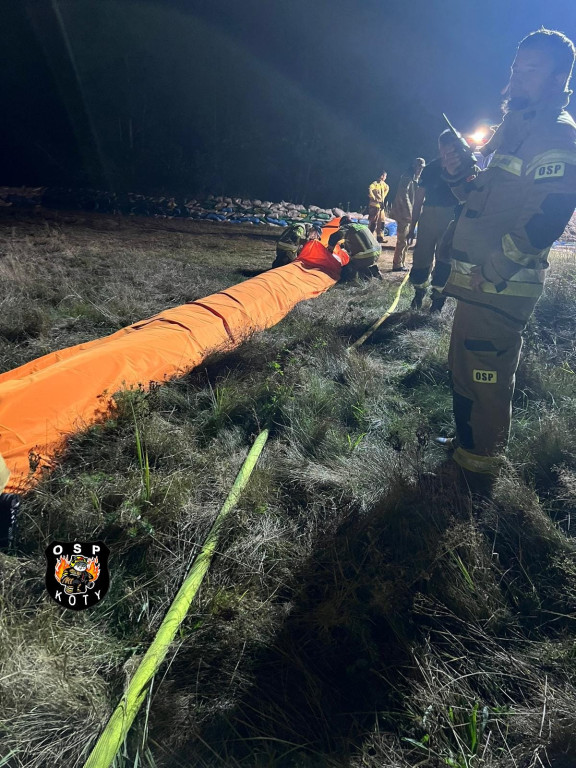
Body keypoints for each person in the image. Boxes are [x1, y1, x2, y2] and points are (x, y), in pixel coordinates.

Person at [435, 28, 576, 492]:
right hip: (478, 284)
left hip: (498, 285)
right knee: (465, 366)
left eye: (531, 69)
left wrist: (493, 271)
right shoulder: (514, 132)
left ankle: (479, 476)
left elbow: (549, 217)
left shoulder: (556, 132)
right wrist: (459, 176)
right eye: (517, 67)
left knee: (486, 374)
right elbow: (481, 200)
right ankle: (466, 445)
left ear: (559, 78)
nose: (518, 77)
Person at [408, 132, 460, 309]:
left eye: (449, 145)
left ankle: (437, 300)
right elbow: (419, 199)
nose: (446, 149)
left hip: (450, 217)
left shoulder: (462, 167)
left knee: (444, 259)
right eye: (444, 145)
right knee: (424, 257)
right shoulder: (431, 168)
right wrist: (412, 225)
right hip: (432, 216)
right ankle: (420, 293)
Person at [390, 157, 425, 271]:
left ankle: (401, 263)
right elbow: (403, 195)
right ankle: (397, 264)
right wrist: (410, 212)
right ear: (415, 166)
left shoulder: (414, 178)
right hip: (404, 214)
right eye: (419, 167)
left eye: (422, 168)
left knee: (406, 239)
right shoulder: (407, 177)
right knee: (402, 240)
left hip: (408, 215)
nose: (420, 170)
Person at [328, 216, 383, 281]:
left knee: (347, 270)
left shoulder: (347, 227)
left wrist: (329, 250)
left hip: (365, 256)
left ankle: (367, 275)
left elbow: (334, 236)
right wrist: (342, 245)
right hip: (377, 253)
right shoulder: (361, 226)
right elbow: (357, 241)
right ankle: (373, 269)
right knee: (359, 262)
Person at [368, 171, 389, 242]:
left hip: (381, 206)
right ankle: (369, 238)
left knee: (382, 222)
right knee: (373, 222)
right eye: (385, 176)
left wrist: (382, 198)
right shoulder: (375, 184)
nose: (385, 177)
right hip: (374, 206)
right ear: (382, 176)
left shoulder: (383, 184)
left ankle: (380, 238)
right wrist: (374, 198)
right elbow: (369, 190)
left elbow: (387, 188)